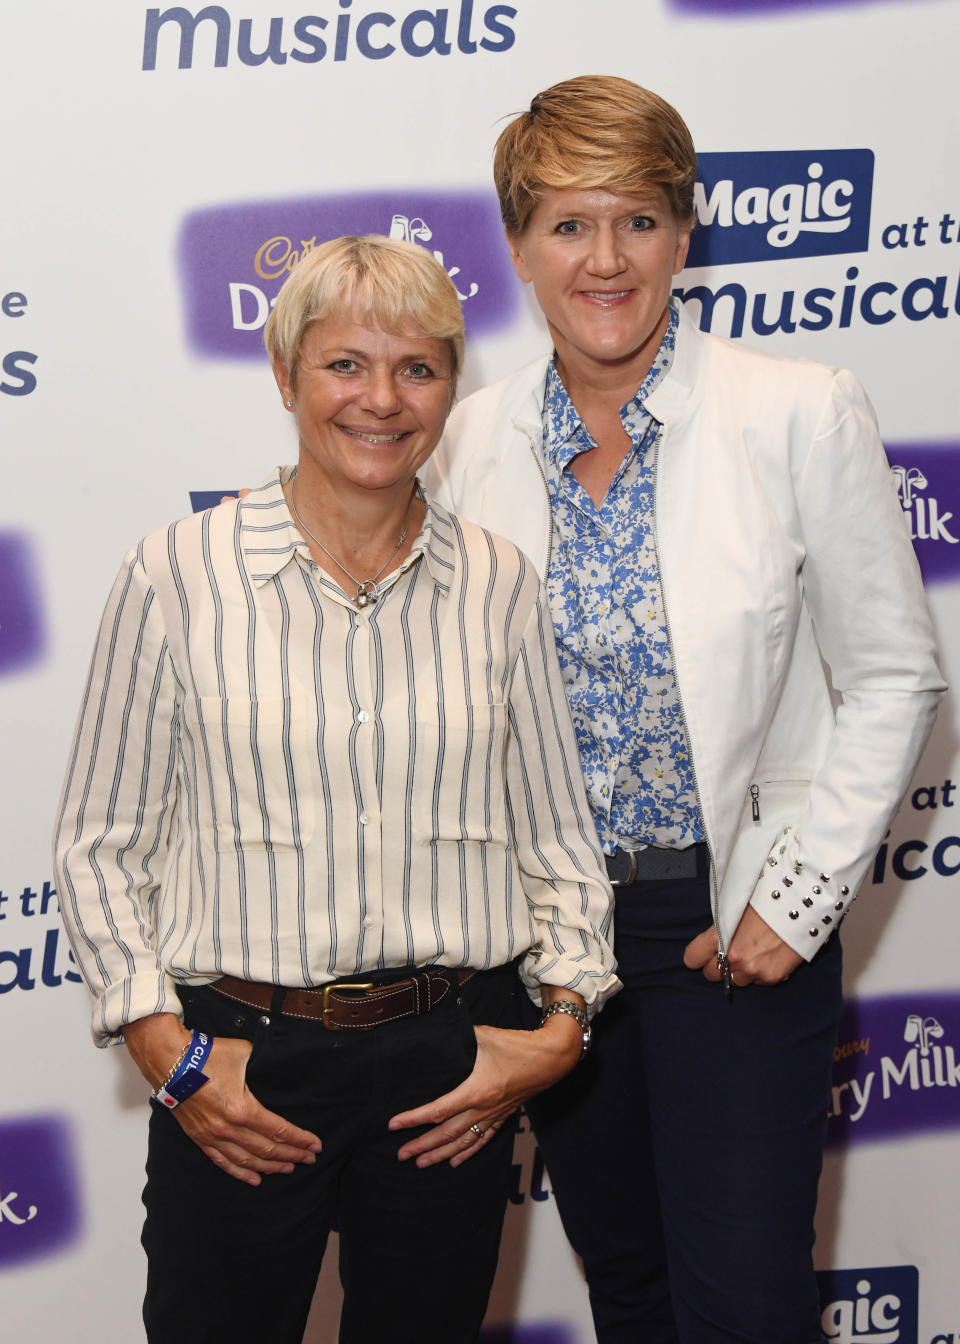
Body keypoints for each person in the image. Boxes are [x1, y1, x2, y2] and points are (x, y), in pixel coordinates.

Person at [419, 76, 945, 1343]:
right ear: (517, 246)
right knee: (632, 1290)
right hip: (554, 950)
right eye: (567, 224)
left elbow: (894, 672)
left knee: (745, 1305)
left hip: (731, 936)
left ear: (683, 233)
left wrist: (801, 895)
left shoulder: (796, 408)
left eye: (639, 221)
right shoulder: (465, 441)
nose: (606, 259)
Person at [53, 234, 619, 1344]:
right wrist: (167, 1052)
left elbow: (555, 838)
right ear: (284, 376)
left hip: (449, 1071)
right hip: (244, 1065)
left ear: (452, 388)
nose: (383, 399)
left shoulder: (497, 582)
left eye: (418, 368)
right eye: (345, 364)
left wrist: (561, 1025)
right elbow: (98, 843)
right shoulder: (176, 572)